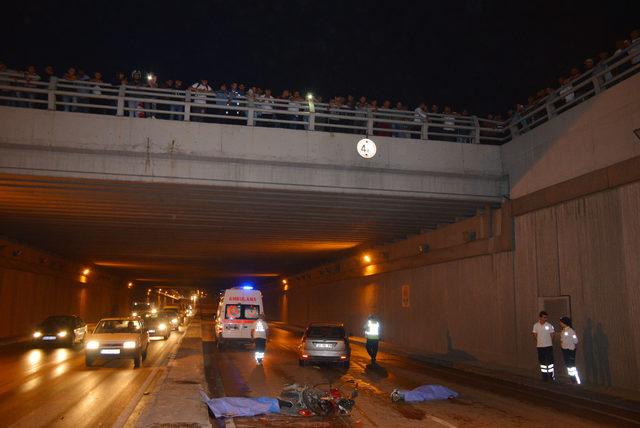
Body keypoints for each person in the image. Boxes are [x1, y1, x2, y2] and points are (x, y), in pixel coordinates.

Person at [532, 311, 555, 381]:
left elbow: (552, 334)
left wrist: (549, 341)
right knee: (542, 362)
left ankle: (551, 376)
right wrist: (540, 340)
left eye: (546, 317)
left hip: (548, 346)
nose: (545, 319)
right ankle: (545, 377)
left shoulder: (549, 325)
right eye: (544, 317)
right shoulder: (536, 325)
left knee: (550, 361)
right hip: (540, 346)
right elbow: (534, 334)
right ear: (540, 317)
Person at [560, 317, 580, 384]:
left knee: (572, 366)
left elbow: (576, 340)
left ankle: (576, 380)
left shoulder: (571, 331)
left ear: (564, 323)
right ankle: (571, 379)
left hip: (570, 350)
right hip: (565, 350)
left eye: (561, 322)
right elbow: (562, 340)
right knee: (568, 365)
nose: (560, 323)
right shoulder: (563, 331)